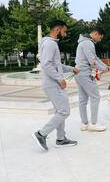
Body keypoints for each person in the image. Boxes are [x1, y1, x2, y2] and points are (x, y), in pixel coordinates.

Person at [32, 19, 79, 151]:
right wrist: (60, 79)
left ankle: (61, 139)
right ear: (57, 30)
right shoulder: (50, 44)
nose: (65, 34)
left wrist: (71, 69)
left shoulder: (50, 43)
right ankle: (41, 134)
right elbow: (46, 64)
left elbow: (55, 65)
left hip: (52, 83)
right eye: (64, 31)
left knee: (60, 111)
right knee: (64, 111)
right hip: (53, 84)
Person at [74, 27, 110, 132]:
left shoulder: (83, 42)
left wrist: (104, 66)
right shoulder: (88, 43)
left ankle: (85, 123)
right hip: (85, 74)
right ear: (96, 33)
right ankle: (94, 123)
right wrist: (104, 68)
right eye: (100, 37)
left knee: (82, 100)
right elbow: (92, 61)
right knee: (95, 97)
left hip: (78, 73)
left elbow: (95, 58)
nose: (100, 40)